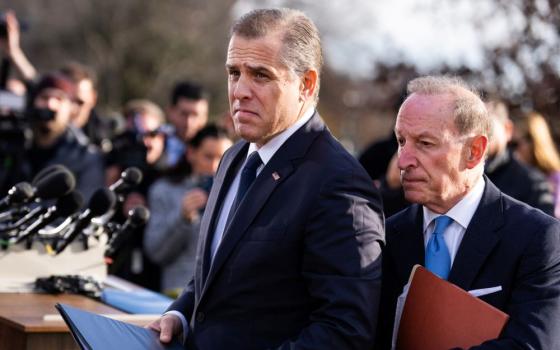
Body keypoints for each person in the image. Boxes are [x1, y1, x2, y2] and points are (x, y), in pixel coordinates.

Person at [148, 8, 384, 350]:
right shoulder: (234, 157)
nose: (240, 91)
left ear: (306, 84)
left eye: (260, 75)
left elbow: (344, 331)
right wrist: (181, 315)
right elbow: (217, 274)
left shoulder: (340, 183)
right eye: (234, 73)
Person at [375, 76, 560, 349]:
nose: (403, 161)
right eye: (401, 141)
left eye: (425, 143)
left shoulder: (537, 238)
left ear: (474, 151)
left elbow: (532, 344)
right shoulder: (385, 237)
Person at [144, 125, 232, 298]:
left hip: (222, 298)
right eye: (208, 157)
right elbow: (156, 252)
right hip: (176, 295)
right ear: (191, 153)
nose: (214, 167)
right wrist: (182, 218)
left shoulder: (237, 193)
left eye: (222, 159)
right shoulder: (164, 191)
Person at [484, 99, 555, 215]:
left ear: (507, 129)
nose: (479, 134)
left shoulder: (532, 183)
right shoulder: (463, 176)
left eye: (487, 126)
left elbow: (547, 229)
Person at [515, 112, 560, 218]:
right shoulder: (513, 176)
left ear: (534, 141)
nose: (516, 149)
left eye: (517, 143)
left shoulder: (555, 178)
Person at [164, 81, 209, 169]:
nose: (189, 122)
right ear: (170, 111)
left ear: (205, 117)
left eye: (195, 115)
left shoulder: (216, 150)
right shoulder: (153, 143)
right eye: (184, 114)